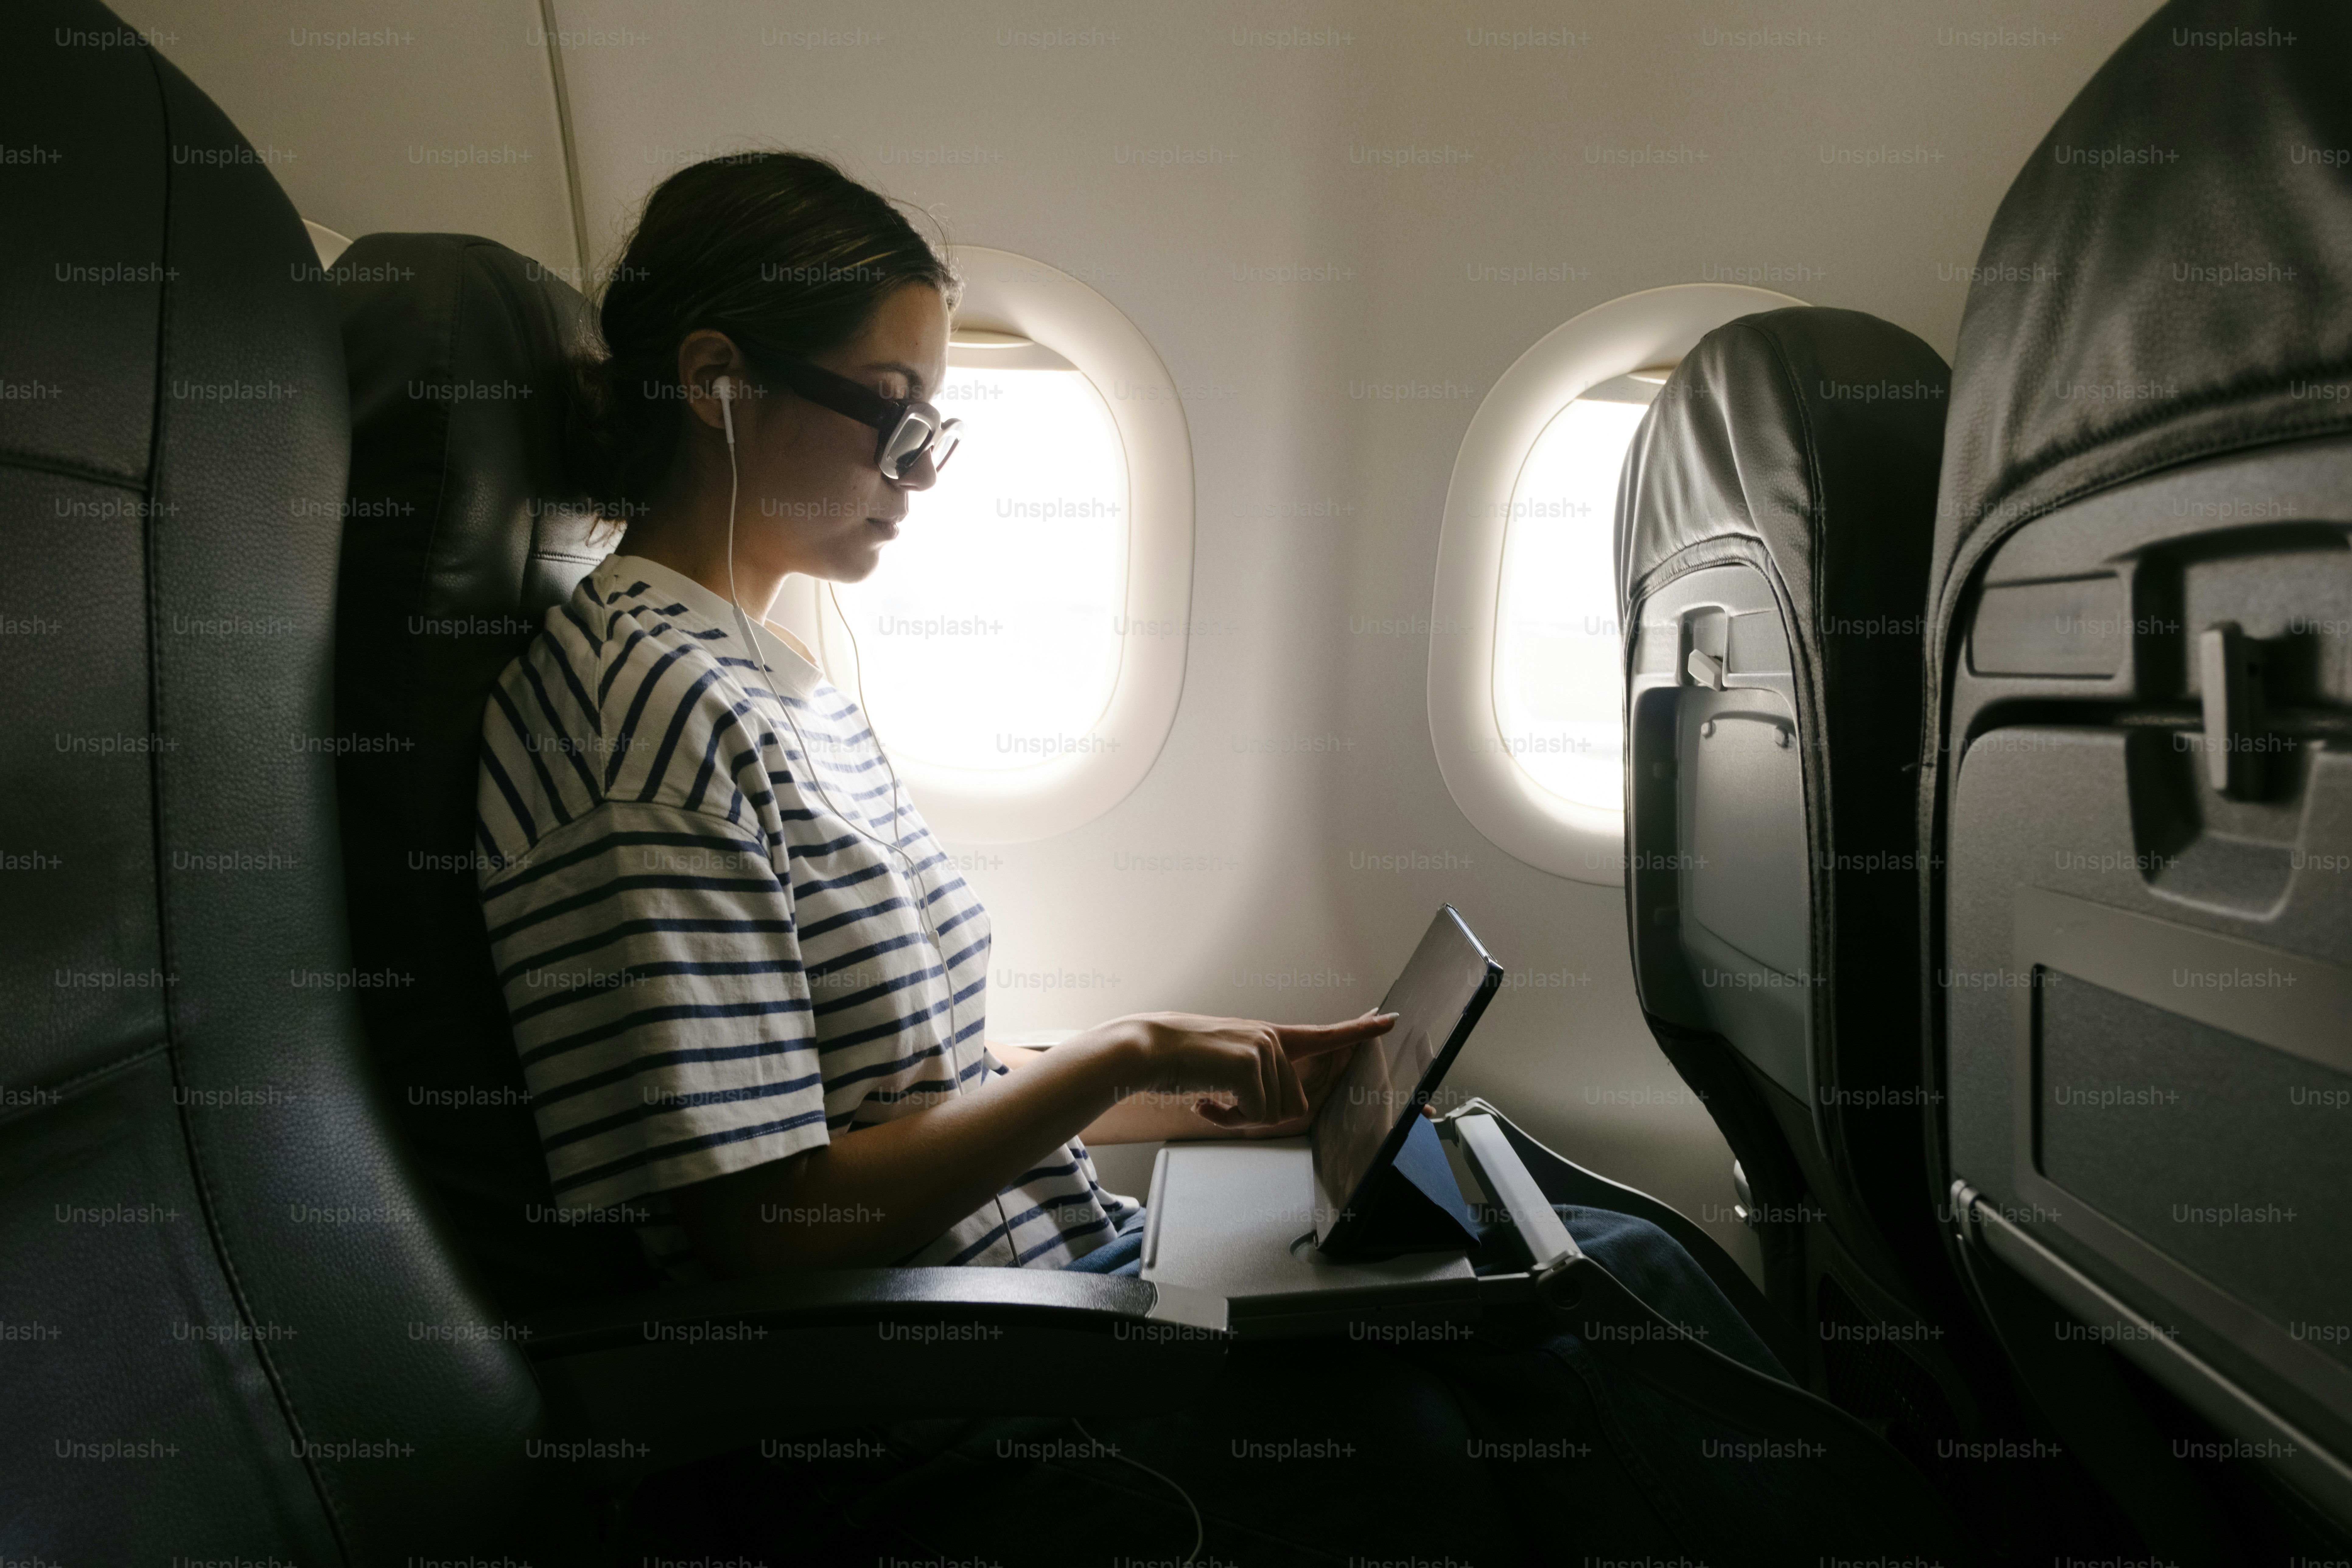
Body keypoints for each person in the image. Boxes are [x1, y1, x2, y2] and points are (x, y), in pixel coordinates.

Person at [476, 149, 1923, 1565]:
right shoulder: (646, 715)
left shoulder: (770, 673)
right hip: (940, 1395)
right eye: (892, 417)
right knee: (1527, 1372)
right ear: (718, 379)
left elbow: (899, 1087)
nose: (918, 472)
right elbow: (777, 1234)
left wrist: (1193, 1093)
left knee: (1593, 1243)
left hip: (1035, 1302)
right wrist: (1124, 1054)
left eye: (938, 431)